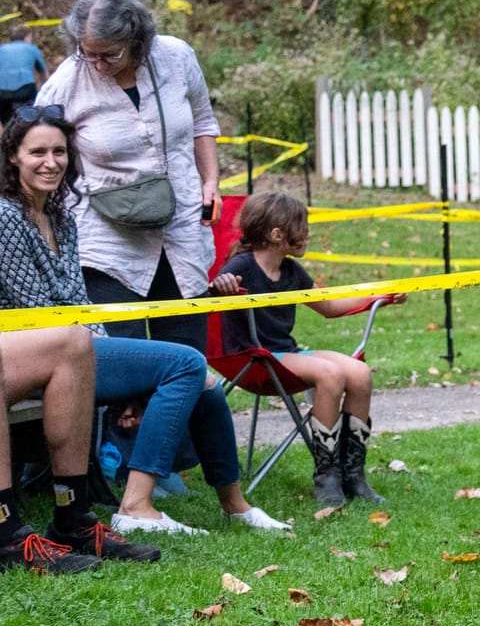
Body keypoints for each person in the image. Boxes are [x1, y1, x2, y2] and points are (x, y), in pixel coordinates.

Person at [0, 106, 289, 541]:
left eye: (59, 151)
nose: (51, 162)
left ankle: (236, 505)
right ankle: (135, 506)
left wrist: (122, 370)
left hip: (76, 344)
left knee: (205, 384)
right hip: (33, 354)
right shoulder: (6, 217)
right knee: (185, 364)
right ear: (12, 158)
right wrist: (107, 359)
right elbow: (39, 311)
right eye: (37, 152)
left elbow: (80, 302)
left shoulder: (62, 217)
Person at [36, 0, 220, 352]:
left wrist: (211, 180)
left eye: (110, 54)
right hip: (105, 241)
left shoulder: (177, 57)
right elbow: (33, 148)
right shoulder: (68, 80)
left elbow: (202, 121)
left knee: (188, 360)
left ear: (138, 40)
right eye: (88, 53)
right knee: (126, 363)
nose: (99, 64)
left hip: (180, 230)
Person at [214, 192, 401, 508]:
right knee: (329, 373)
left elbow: (328, 305)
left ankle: (352, 475)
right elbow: (219, 287)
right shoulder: (240, 266)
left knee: (359, 372)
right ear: (277, 235)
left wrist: (379, 295)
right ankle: (326, 476)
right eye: (301, 226)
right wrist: (224, 285)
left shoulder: (291, 272)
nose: (307, 234)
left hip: (284, 353)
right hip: (252, 358)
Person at [0, 26, 49, 125]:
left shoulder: (2, 49)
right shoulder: (32, 48)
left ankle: (7, 135)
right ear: (27, 38)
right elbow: (43, 72)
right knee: (29, 120)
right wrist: (45, 88)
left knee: (6, 121)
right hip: (25, 89)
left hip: (2, 91)